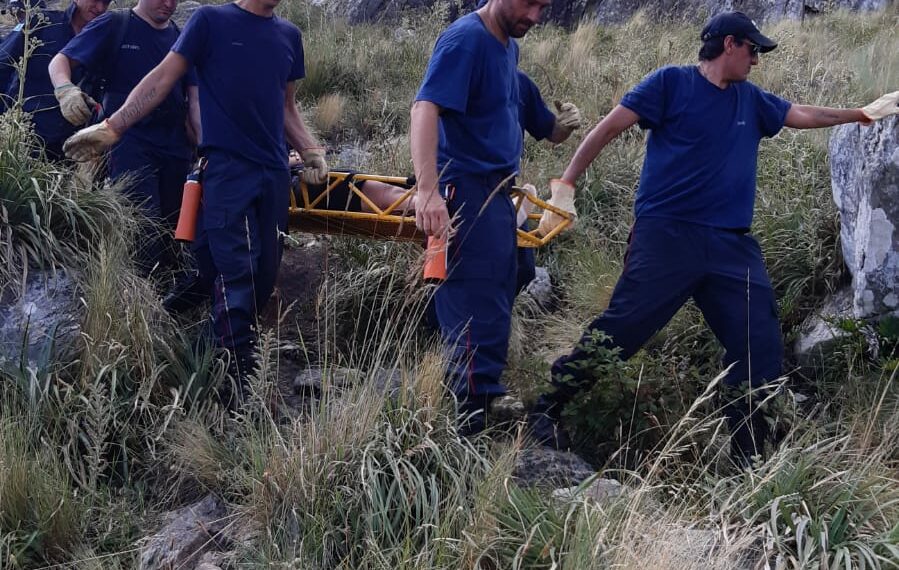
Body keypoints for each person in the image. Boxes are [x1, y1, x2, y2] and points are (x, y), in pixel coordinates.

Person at [528, 11, 899, 464]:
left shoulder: (751, 99)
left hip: (730, 246)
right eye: (753, 49)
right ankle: (549, 406)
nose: (756, 60)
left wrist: (862, 114)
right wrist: (565, 185)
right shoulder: (670, 84)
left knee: (759, 342)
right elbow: (608, 128)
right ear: (729, 44)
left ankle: (748, 455)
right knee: (623, 330)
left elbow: (802, 113)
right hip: (667, 235)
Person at [62, 0, 328, 408]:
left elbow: (286, 106)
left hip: (274, 174)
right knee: (238, 277)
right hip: (227, 172)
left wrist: (310, 149)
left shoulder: (289, 36)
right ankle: (243, 398)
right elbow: (162, 78)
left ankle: (192, 351)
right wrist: (114, 127)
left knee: (261, 279)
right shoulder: (209, 21)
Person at [411, 0, 552, 435]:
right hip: (467, 189)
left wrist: (558, 124)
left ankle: (466, 381)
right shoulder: (466, 39)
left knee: (512, 275)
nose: (535, 16)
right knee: (477, 295)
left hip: (495, 190)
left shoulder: (507, 46)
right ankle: (468, 420)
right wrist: (428, 191)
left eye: (544, 6)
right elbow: (424, 108)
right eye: (529, 3)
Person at [48, 0, 201, 278]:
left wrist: (203, 142)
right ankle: (137, 292)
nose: (169, 4)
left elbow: (194, 98)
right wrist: (65, 89)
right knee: (143, 224)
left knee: (175, 227)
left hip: (175, 145)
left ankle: (170, 291)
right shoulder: (116, 24)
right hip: (128, 141)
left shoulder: (181, 36)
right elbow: (60, 60)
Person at [0, 0, 110, 159]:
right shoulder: (41, 22)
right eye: (95, 0)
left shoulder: (103, 39)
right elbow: (3, 64)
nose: (100, 8)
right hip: (22, 138)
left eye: (106, 2)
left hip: (69, 147)